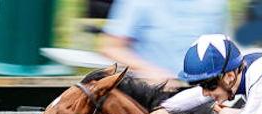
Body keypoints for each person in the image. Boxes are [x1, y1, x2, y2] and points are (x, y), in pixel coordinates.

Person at [98, 0, 230, 86]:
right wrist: (151, 72)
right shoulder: (137, 3)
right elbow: (111, 47)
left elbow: (222, 48)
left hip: (201, 93)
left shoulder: (215, 4)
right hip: (150, 94)